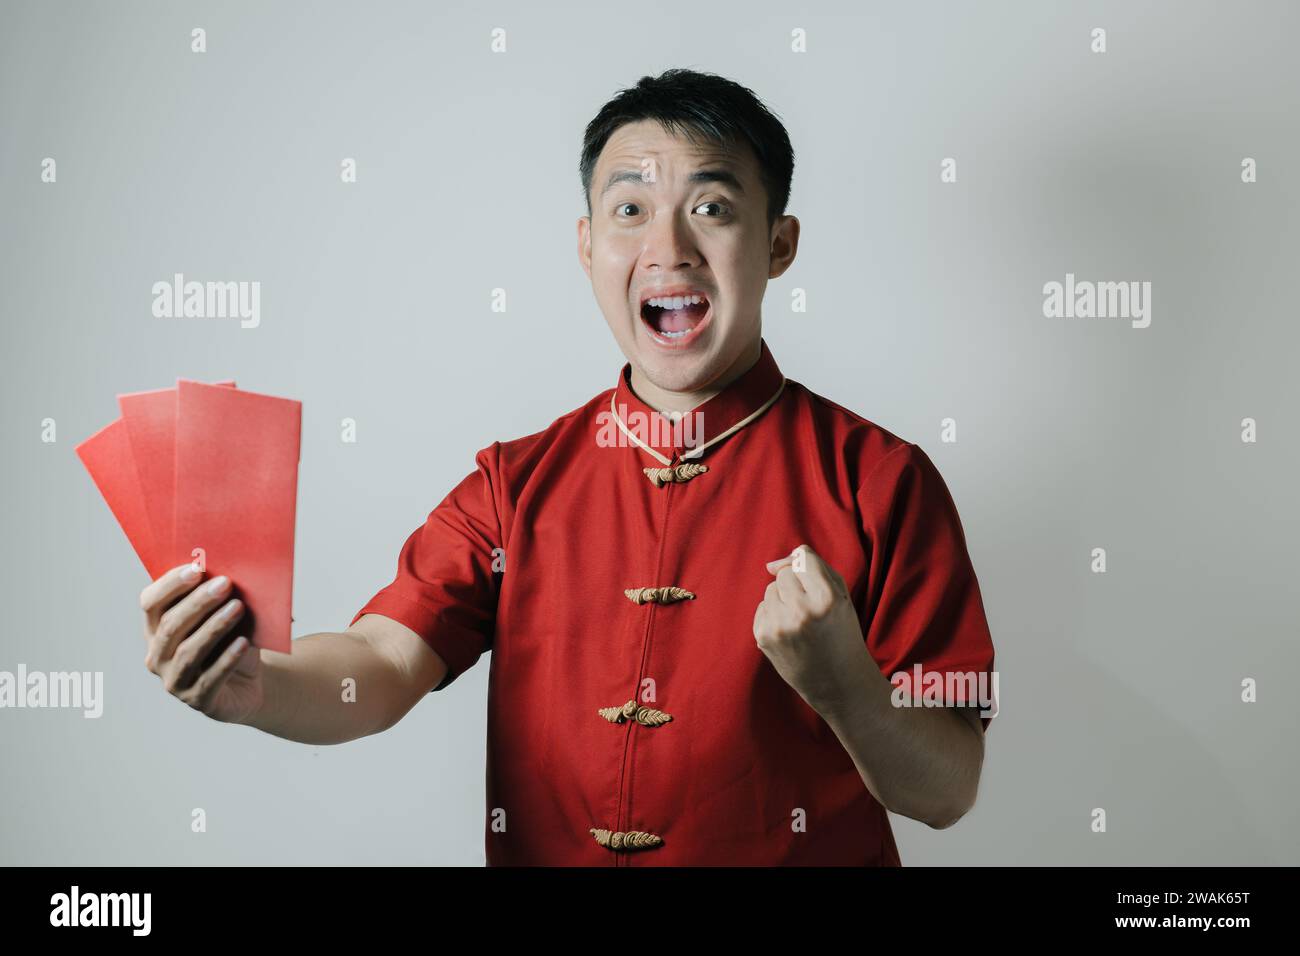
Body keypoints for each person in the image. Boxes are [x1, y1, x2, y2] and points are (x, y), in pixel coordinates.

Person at [139, 68, 996, 866]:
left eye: (712, 207)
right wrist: (255, 687)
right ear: (587, 245)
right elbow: (384, 664)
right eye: (630, 210)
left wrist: (845, 684)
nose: (668, 247)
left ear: (779, 244)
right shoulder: (513, 485)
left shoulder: (881, 480)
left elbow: (947, 791)